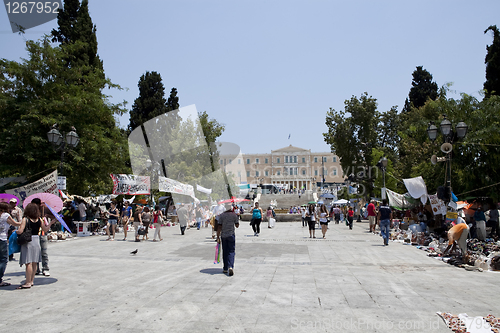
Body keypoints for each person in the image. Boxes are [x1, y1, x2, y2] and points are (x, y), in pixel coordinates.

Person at [16, 203, 55, 289]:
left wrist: (15, 232)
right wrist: (51, 223)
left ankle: (27, 282)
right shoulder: (39, 220)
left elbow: (20, 231)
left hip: (28, 241)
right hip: (36, 240)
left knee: (28, 262)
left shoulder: (25, 219)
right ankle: (31, 281)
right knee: (34, 262)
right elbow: (45, 229)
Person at [0, 202, 21, 287]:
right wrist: (24, 222)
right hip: (2, 238)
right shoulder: (5, 215)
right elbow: (15, 223)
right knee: (3, 259)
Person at [216, 203, 239, 276]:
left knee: (225, 251)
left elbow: (219, 227)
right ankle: (231, 266)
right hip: (231, 235)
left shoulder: (222, 215)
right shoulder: (234, 215)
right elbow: (237, 225)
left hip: (224, 235)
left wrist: (217, 236)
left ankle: (225, 268)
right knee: (231, 251)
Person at [31, 198, 51, 276]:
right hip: (34, 234)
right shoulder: (30, 212)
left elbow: (54, 216)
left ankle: (45, 268)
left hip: (43, 233)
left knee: (44, 252)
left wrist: (46, 216)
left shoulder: (44, 209)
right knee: (35, 253)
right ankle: (36, 269)